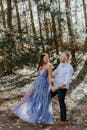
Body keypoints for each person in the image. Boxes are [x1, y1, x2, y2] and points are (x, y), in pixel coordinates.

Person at [12, 53, 53, 124]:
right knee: (32, 97)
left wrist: (50, 86)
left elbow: (49, 77)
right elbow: (38, 76)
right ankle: (21, 108)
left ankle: (42, 117)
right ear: (42, 58)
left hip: (44, 85)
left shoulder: (49, 66)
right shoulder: (39, 65)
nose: (47, 58)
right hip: (37, 84)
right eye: (45, 57)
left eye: (48, 57)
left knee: (43, 100)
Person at [51, 52, 74, 126]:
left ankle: (63, 120)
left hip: (62, 88)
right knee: (46, 96)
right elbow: (54, 73)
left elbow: (66, 82)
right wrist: (46, 71)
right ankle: (44, 113)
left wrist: (56, 88)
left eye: (62, 56)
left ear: (66, 57)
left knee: (61, 101)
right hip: (55, 85)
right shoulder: (60, 65)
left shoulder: (69, 68)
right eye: (61, 56)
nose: (60, 57)